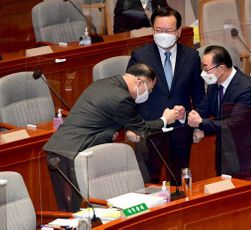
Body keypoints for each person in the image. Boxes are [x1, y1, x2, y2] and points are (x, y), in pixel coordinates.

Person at [44, 63, 181, 211]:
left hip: (64, 150)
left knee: (77, 210)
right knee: (76, 212)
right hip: (68, 154)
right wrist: (165, 119)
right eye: (149, 90)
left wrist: (116, 131)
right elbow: (143, 129)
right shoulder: (122, 98)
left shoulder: (103, 84)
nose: (148, 94)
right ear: (139, 82)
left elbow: (100, 119)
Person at [187, 45, 251, 230]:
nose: (203, 72)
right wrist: (194, 120)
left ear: (221, 68)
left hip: (249, 157)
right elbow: (206, 109)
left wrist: (202, 124)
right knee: (233, 204)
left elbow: (233, 123)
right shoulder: (215, 85)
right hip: (227, 155)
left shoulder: (246, 88)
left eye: (206, 68)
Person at [126, 7, 205, 184]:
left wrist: (200, 125)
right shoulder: (140, 56)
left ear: (178, 32)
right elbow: (129, 96)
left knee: (179, 182)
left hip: (180, 129)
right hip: (150, 129)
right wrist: (131, 126)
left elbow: (199, 94)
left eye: (168, 31)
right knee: (149, 182)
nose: (162, 34)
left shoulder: (191, 56)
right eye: (158, 30)